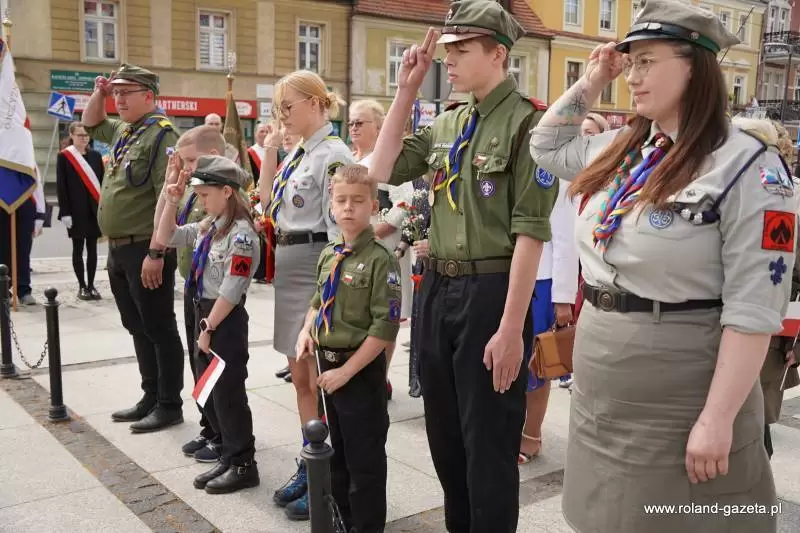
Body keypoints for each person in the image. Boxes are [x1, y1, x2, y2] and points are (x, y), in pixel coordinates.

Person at [529, 1, 792, 531]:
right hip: (603, 377)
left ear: (695, 67)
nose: (633, 77)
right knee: (603, 515)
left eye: (647, 61)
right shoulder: (624, 150)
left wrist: (717, 419)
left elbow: (754, 309)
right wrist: (596, 77)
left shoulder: (748, 165)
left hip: (682, 384)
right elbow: (547, 144)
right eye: (631, 62)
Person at [367, 2, 558, 530]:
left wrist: (511, 329)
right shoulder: (447, 120)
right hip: (438, 289)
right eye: (446, 50)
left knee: (489, 444)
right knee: (445, 439)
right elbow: (380, 168)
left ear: (498, 54)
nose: (447, 60)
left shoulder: (529, 123)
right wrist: (406, 91)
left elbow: (530, 235)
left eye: (461, 49)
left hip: (492, 293)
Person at [261, 69, 354, 521]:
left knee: (321, 376)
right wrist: (269, 151)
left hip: (315, 264)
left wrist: (326, 292)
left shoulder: (332, 154)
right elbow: (268, 206)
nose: (282, 115)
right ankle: (310, 461)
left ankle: (330, 474)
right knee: (300, 377)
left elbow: (340, 230)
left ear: (316, 103)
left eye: (288, 106)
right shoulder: (299, 152)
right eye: (279, 107)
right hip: (290, 264)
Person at [295, 163, 400, 533]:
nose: (348, 208)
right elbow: (317, 300)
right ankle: (342, 520)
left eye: (357, 200)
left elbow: (384, 328)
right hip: (329, 368)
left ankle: (366, 526)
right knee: (336, 453)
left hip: (358, 371)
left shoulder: (381, 259)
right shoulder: (330, 253)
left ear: (373, 206)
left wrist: (345, 372)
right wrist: (306, 331)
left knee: (364, 460)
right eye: (341, 200)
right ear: (331, 204)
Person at [83, 64, 184, 433]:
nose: (118, 100)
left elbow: (168, 199)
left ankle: (169, 404)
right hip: (119, 249)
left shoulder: (162, 135)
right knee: (137, 326)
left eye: (126, 93)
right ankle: (150, 395)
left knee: (158, 326)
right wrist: (99, 92)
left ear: (149, 96)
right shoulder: (125, 129)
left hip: (145, 247)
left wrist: (156, 253)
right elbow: (92, 122)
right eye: (116, 93)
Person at [156, 155, 260, 494]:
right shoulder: (210, 226)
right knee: (212, 392)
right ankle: (229, 455)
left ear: (227, 191)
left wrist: (208, 328)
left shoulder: (241, 235)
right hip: (205, 312)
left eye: (204, 194)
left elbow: (232, 288)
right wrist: (171, 200)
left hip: (223, 319)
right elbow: (167, 236)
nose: (200, 201)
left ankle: (244, 464)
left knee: (228, 393)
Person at [150, 126, 227, 461]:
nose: (187, 168)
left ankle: (227, 436)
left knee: (216, 367)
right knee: (199, 364)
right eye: (183, 161)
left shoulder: (224, 191)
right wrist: (169, 191)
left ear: (214, 155)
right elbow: (163, 232)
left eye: (191, 160)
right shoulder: (196, 188)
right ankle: (211, 427)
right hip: (193, 287)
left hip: (217, 295)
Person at [350, 98, 413, 399]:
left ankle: (380, 378)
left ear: (379, 127)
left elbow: (406, 202)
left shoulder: (388, 158)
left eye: (360, 122)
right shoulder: (349, 158)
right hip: (352, 250)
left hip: (384, 249)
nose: (353, 127)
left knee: (384, 317)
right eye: (351, 122)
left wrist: (377, 229)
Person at [518, 173, 579, 463]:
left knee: (537, 364)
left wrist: (563, 298)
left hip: (542, 281)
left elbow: (566, 239)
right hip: (506, 276)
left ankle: (531, 435)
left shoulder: (556, 175)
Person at [56, 121, 105, 301]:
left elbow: (102, 182)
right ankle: (82, 286)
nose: (84, 138)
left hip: (93, 210)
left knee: (92, 249)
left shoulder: (96, 156)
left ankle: (91, 285)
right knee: (78, 249)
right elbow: (61, 186)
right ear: (71, 136)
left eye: (86, 135)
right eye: (80, 135)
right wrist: (65, 211)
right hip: (75, 211)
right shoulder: (65, 157)